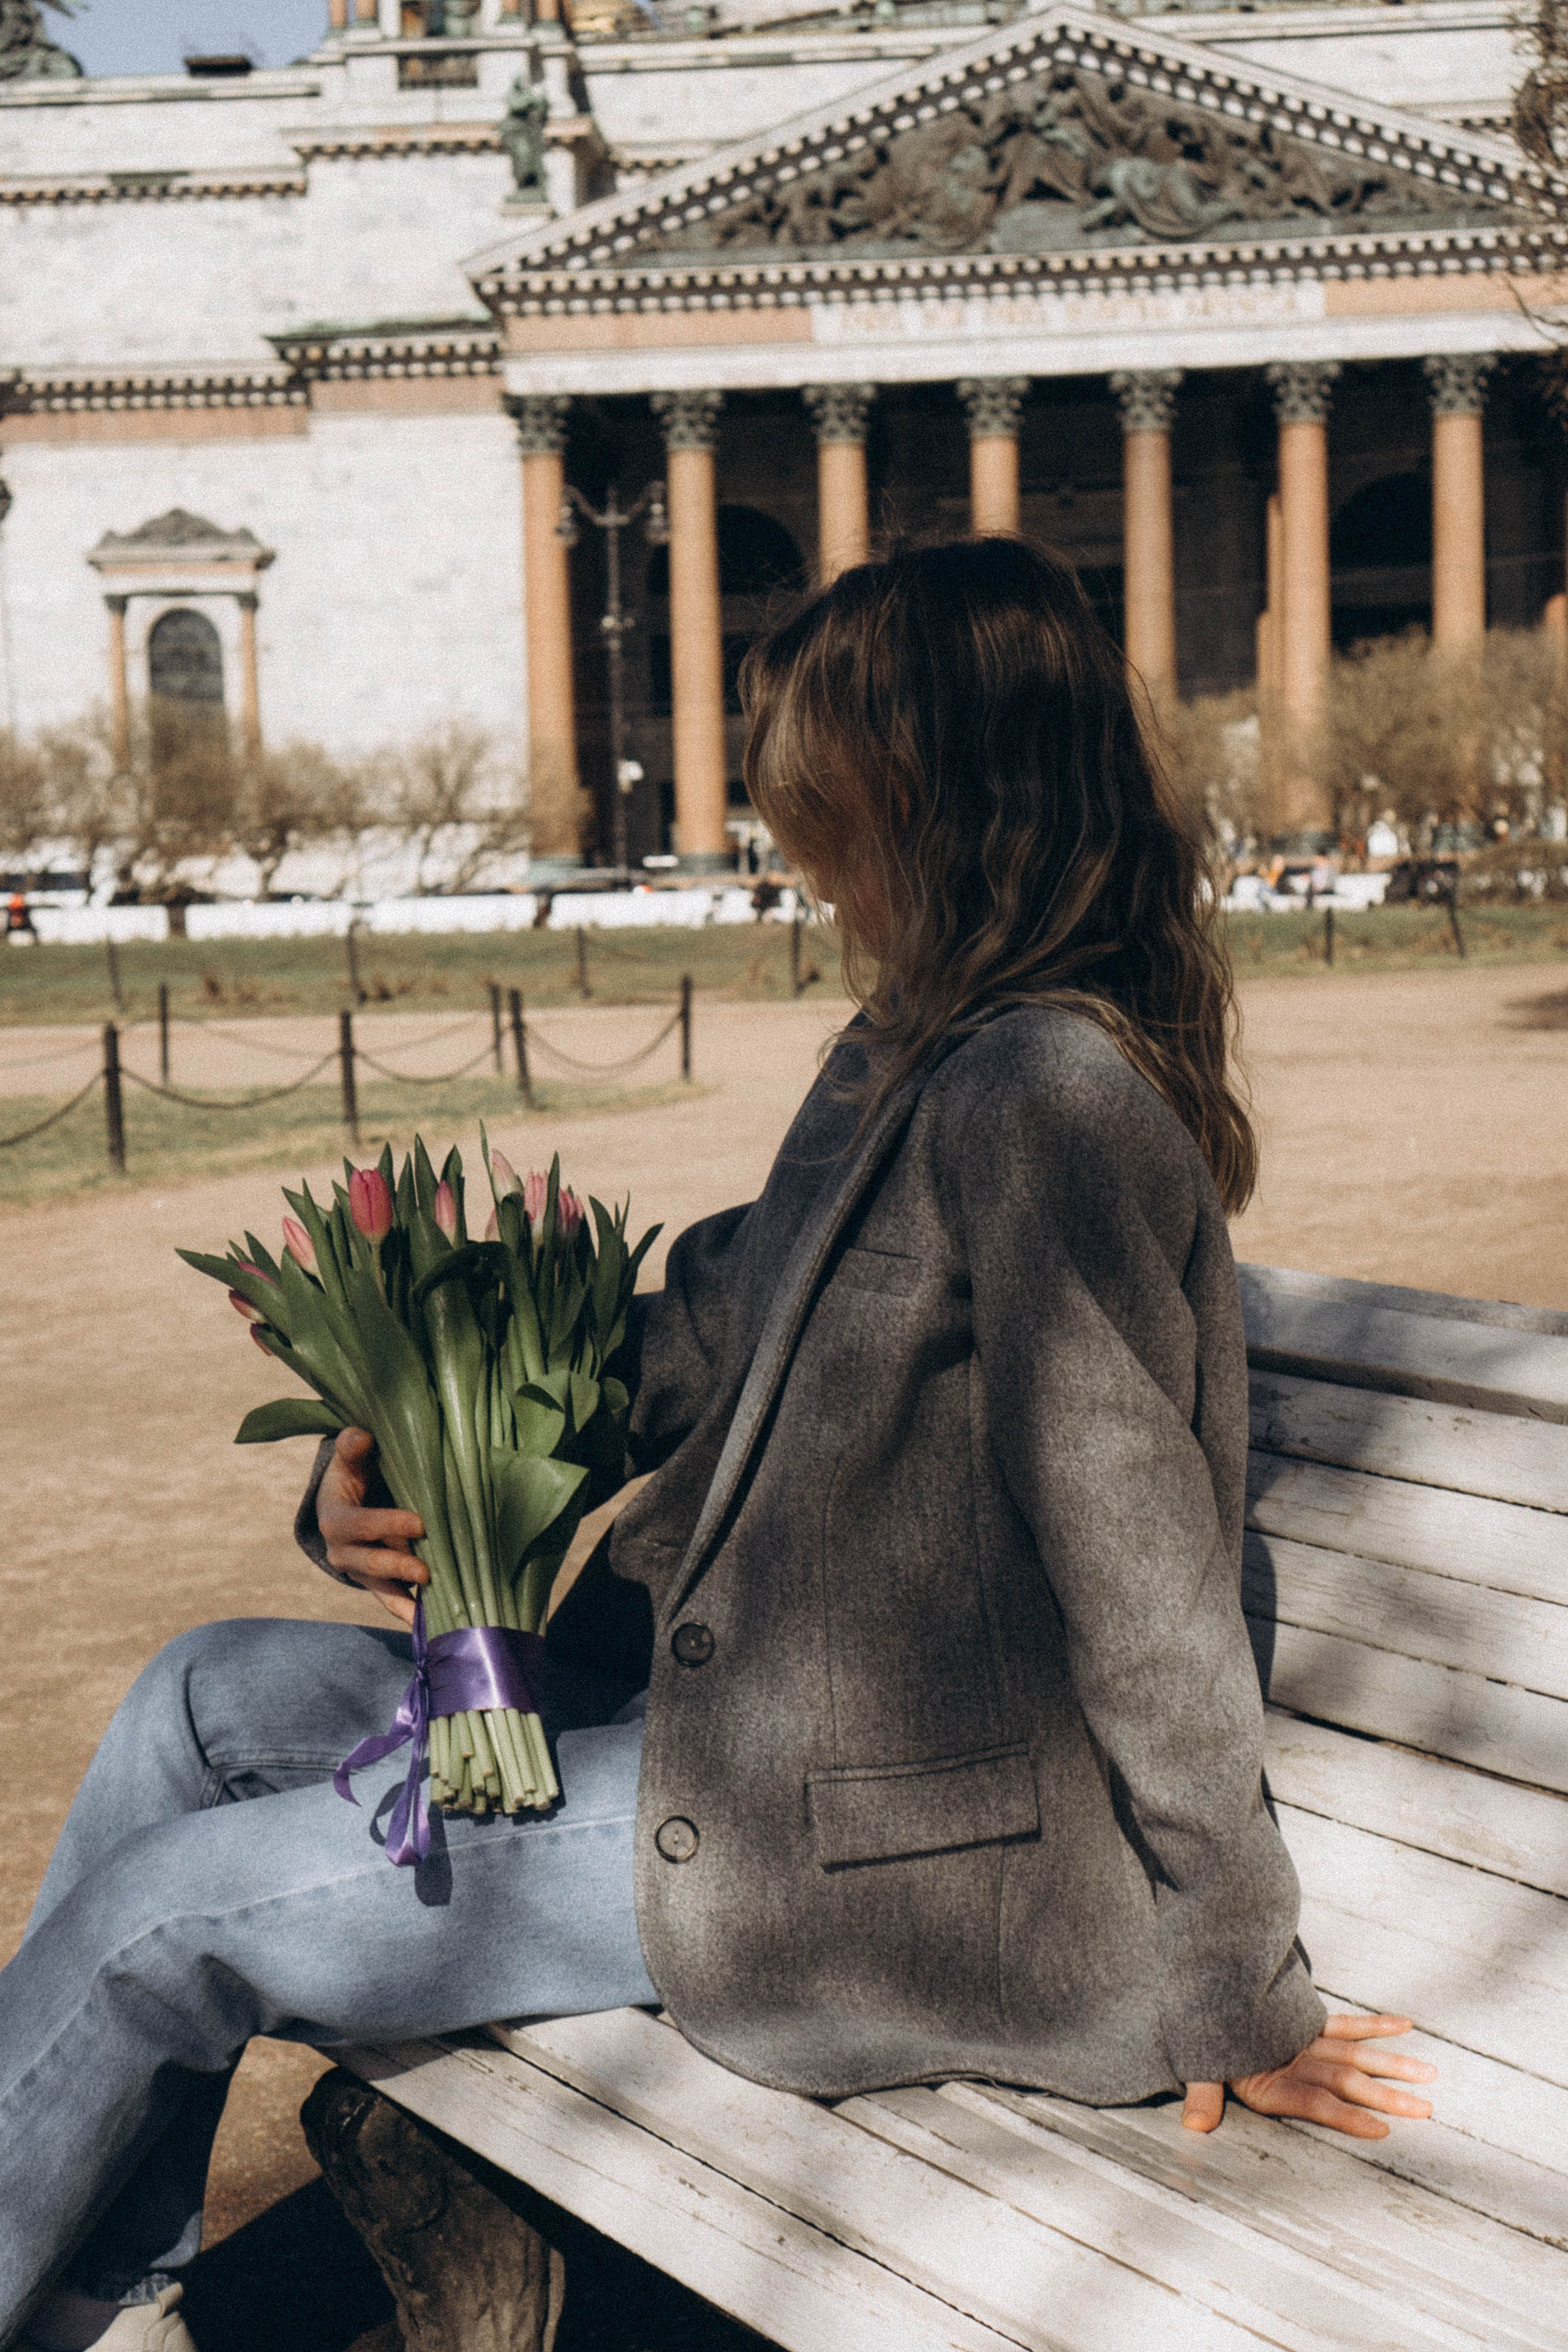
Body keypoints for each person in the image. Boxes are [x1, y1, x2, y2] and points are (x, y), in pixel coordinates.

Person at [0, 539, 1436, 2352]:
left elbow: (1149, 1588)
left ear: (933, 803)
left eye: (816, 806)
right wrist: (427, 1444)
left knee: (164, 1922)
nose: (793, 853)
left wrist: (1237, 1984)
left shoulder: (1048, 1100)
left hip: (861, 1861)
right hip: (696, 1744)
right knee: (197, 1700)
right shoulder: (904, 1061)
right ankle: (94, 2302)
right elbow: (690, 1331)